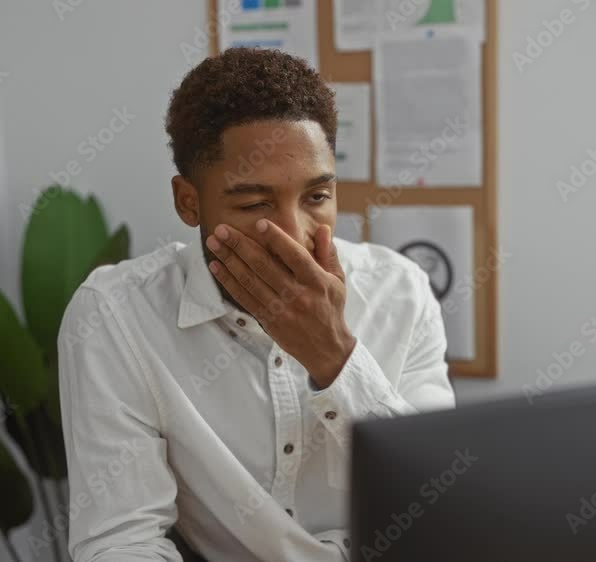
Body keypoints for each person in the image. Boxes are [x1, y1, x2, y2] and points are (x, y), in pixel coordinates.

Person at [58, 47, 456, 562]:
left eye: (316, 197)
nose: (293, 234)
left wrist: (334, 358)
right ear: (188, 202)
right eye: (254, 204)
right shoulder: (115, 316)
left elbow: (440, 509)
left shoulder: (401, 291)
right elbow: (122, 541)